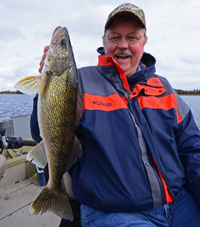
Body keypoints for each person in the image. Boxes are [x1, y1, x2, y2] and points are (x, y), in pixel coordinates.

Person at [31, 3, 200, 227]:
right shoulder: (80, 81)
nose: (123, 45)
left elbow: (192, 148)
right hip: (115, 212)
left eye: (132, 37)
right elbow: (39, 132)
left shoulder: (165, 89)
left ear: (144, 41)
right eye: (114, 37)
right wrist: (46, 86)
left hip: (179, 203)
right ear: (103, 40)